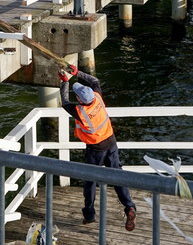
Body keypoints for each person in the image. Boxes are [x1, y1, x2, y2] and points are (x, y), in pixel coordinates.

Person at [58, 64, 136, 231]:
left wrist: (64, 82)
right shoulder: (98, 98)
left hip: (95, 149)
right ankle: (129, 207)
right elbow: (94, 80)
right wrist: (77, 73)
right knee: (117, 177)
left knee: (90, 181)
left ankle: (90, 214)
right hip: (111, 142)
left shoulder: (80, 112)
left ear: (80, 100)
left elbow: (64, 102)